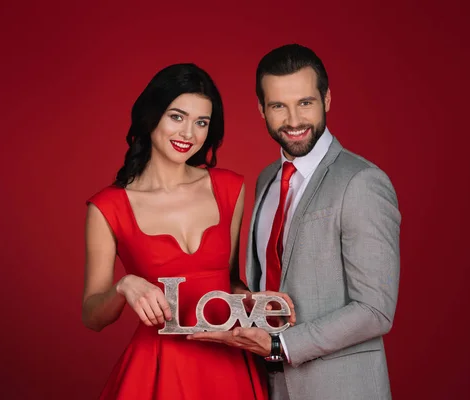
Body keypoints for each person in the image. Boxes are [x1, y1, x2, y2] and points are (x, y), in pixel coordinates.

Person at [188, 44, 401, 400]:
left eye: (305, 102)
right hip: (267, 384)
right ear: (261, 109)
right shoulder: (267, 178)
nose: (293, 120)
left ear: (327, 99)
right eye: (278, 106)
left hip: (340, 389)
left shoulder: (361, 181)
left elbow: (375, 309)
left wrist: (279, 343)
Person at [82, 63, 272, 399]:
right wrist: (125, 285)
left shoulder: (230, 188)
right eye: (177, 116)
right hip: (158, 370)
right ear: (151, 116)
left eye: (201, 122)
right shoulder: (108, 207)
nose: (188, 134)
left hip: (229, 365)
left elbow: (229, 280)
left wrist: (253, 301)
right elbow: (93, 317)